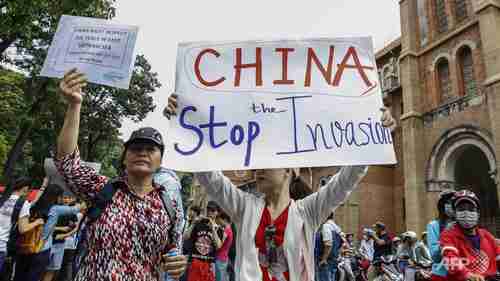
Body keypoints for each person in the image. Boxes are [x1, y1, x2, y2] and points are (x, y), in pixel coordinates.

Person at [164, 94, 396, 281]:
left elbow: (346, 180)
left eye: (267, 163)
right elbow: (209, 178)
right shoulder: (244, 207)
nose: (258, 170)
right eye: (256, 165)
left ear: (290, 171)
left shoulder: (308, 211)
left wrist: (375, 134)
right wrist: (183, 124)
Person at [54, 69, 187, 281]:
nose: (142, 152)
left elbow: (173, 254)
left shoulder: (169, 206)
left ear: (161, 161)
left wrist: (177, 263)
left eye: (150, 149)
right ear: (124, 158)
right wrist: (74, 105)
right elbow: (67, 163)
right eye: (135, 148)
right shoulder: (102, 188)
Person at [14, 184, 83, 281]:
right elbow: (75, 209)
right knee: (34, 277)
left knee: (19, 276)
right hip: (42, 248)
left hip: (26, 246)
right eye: (61, 196)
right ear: (57, 196)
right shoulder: (55, 209)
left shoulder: (33, 206)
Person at [440, 190, 500, 281]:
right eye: (461, 209)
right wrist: (467, 274)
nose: (466, 213)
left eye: (471, 209)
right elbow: (450, 258)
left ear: (478, 213)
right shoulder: (448, 236)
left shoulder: (486, 235)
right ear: (455, 214)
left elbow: (498, 254)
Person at [0, 177, 44, 272]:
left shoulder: (2, 198)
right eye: (29, 190)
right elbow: (23, 229)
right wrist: (37, 222)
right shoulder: (23, 204)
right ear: (25, 188)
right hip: (2, 245)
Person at [183, 201, 224, 281]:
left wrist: (213, 229)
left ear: (217, 213)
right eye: (208, 209)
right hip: (195, 262)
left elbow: (218, 246)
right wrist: (193, 224)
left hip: (208, 265)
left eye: (213, 210)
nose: (210, 212)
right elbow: (185, 237)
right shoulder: (198, 224)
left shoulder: (218, 229)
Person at [426, 189, 455, 281]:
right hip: (442, 275)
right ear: (442, 205)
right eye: (448, 202)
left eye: (454, 202)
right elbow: (435, 256)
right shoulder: (433, 225)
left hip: (463, 273)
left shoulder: (464, 225)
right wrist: (446, 233)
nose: (451, 205)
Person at [315, 213, 342, 281]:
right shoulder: (337, 228)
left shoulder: (326, 226)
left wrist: (324, 259)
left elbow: (328, 244)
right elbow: (342, 242)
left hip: (326, 262)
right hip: (333, 260)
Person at [215, 211, 234, 281]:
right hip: (224, 258)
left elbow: (219, 244)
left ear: (225, 219)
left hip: (220, 258)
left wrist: (215, 232)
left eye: (220, 220)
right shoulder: (229, 229)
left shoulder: (227, 230)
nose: (218, 222)